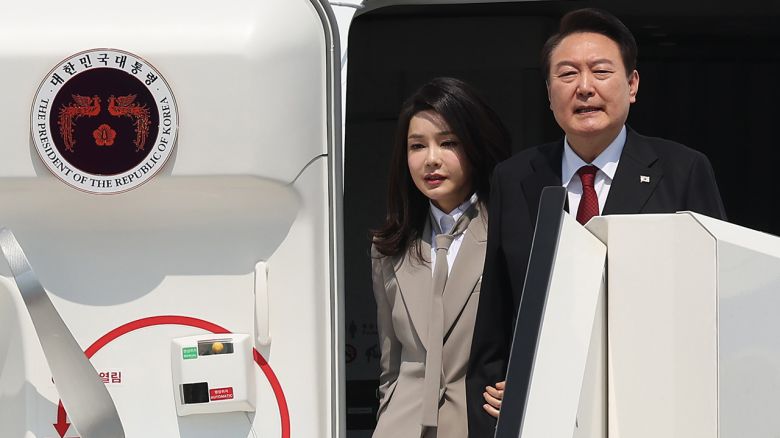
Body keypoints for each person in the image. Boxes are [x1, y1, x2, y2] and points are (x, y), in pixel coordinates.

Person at [466, 8, 727, 436]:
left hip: (654, 413)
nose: (585, 87)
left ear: (632, 84)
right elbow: (497, 315)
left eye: (601, 71)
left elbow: (714, 307)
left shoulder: (683, 171)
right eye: (567, 74)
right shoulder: (514, 178)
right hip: (545, 417)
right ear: (549, 93)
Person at [370, 77, 510, 438]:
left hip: (479, 424)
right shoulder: (388, 247)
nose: (431, 159)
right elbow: (390, 366)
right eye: (417, 146)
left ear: (475, 146)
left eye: (448, 143)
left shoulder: (509, 233)